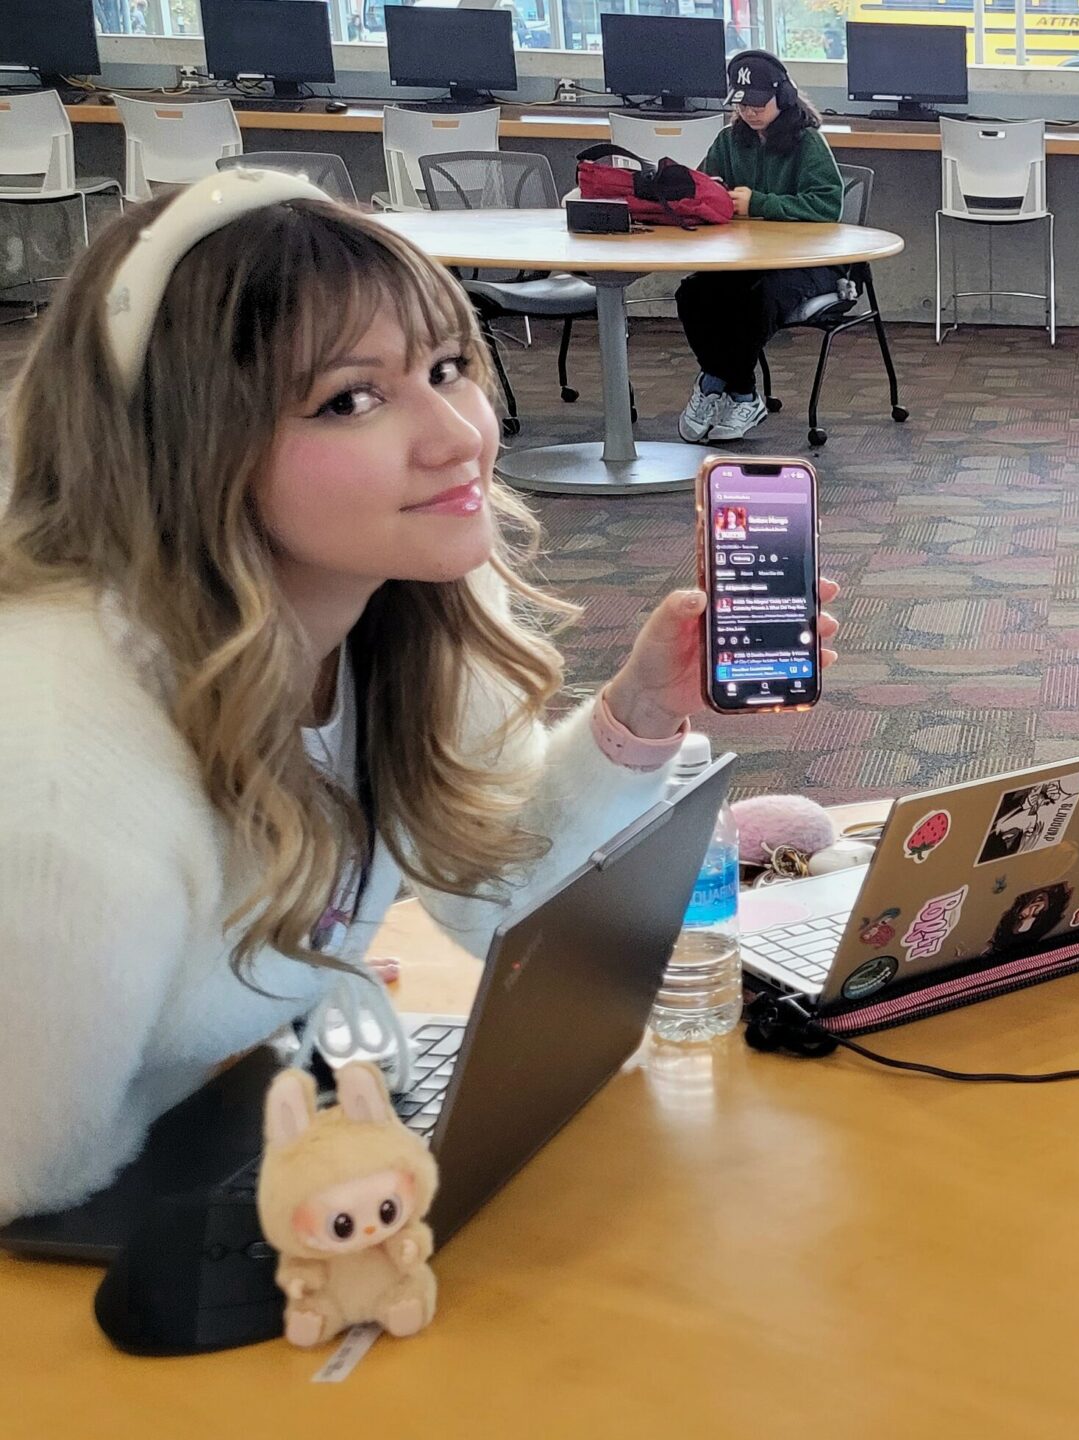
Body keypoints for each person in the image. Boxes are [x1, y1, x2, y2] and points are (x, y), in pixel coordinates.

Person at [0, 174, 842, 1223]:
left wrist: (635, 719)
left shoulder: (398, 615)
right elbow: (23, 1167)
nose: (458, 436)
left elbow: (498, 903)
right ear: (181, 448)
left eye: (449, 367)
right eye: (351, 398)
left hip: (265, 1153)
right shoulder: (49, 759)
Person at [674, 51, 848, 445]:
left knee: (756, 302)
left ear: (782, 98)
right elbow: (703, 189)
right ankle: (739, 391)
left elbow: (826, 206)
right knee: (693, 294)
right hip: (743, 260)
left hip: (809, 265)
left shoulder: (807, 142)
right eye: (742, 104)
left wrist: (759, 204)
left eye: (757, 103)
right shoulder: (729, 140)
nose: (749, 112)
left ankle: (720, 383)